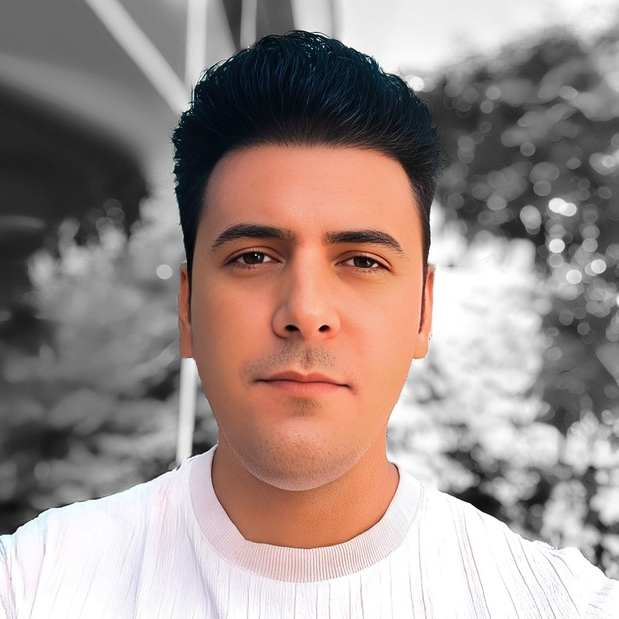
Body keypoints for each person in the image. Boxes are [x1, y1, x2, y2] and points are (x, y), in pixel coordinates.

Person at [0, 31, 617, 619]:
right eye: (253, 257)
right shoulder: (31, 586)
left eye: (362, 261)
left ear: (423, 312)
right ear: (187, 308)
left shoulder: (565, 607)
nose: (306, 311)